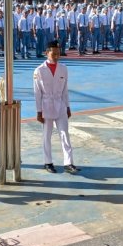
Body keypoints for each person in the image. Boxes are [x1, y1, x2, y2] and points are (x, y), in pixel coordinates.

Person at [34, 40, 79, 174]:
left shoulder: (63, 68)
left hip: (60, 105)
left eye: (58, 54)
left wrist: (68, 106)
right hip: (46, 105)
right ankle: (48, 162)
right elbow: (37, 93)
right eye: (53, 54)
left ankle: (68, 162)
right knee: (47, 135)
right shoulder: (39, 70)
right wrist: (38, 111)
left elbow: (65, 90)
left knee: (65, 134)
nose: (56, 56)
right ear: (47, 53)